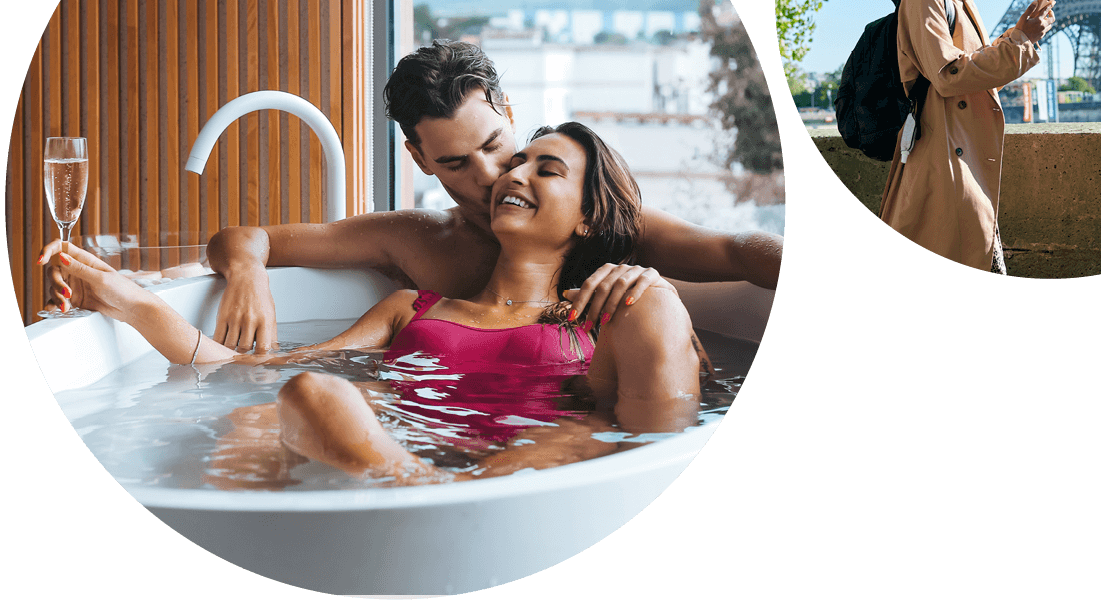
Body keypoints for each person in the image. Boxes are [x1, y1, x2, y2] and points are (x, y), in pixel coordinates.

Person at [44, 122, 702, 484]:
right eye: (518, 160)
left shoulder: (606, 313)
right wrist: (133, 302)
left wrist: (659, 293)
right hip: (397, 452)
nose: (514, 173)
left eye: (546, 170)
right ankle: (408, 493)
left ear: (587, 218)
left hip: (526, 471)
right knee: (294, 397)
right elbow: (248, 372)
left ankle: (425, 495)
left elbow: (649, 443)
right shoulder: (410, 306)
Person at [41, 40, 784, 349]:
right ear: (418, 158)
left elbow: (739, 250)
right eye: (458, 163)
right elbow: (245, 236)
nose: (494, 178)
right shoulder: (416, 243)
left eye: (496, 145)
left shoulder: (592, 222)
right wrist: (245, 273)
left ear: (510, 113)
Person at [879, 0, 1055, 273]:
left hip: (964, 153)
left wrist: (1020, 34)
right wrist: (1019, 41)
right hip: (945, 154)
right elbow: (949, 74)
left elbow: (976, 63)